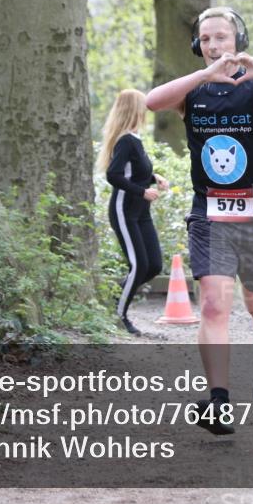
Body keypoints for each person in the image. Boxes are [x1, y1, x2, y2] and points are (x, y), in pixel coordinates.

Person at [146, 6, 253, 435]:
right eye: (205, 40)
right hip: (210, 212)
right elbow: (151, 102)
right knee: (212, 302)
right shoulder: (193, 91)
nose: (213, 46)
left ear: (237, 40)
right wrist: (204, 75)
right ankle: (219, 400)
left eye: (221, 37)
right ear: (197, 46)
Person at [98, 89, 169, 336]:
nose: (147, 110)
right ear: (134, 109)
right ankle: (119, 317)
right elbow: (113, 175)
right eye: (144, 105)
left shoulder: (135, 139)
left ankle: (113, 299)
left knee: (154, 266)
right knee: (139, 265)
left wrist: (153, 177)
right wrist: (142, 192)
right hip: (124, 210)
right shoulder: (126, 141)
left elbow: (134, 172)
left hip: (141, 212)